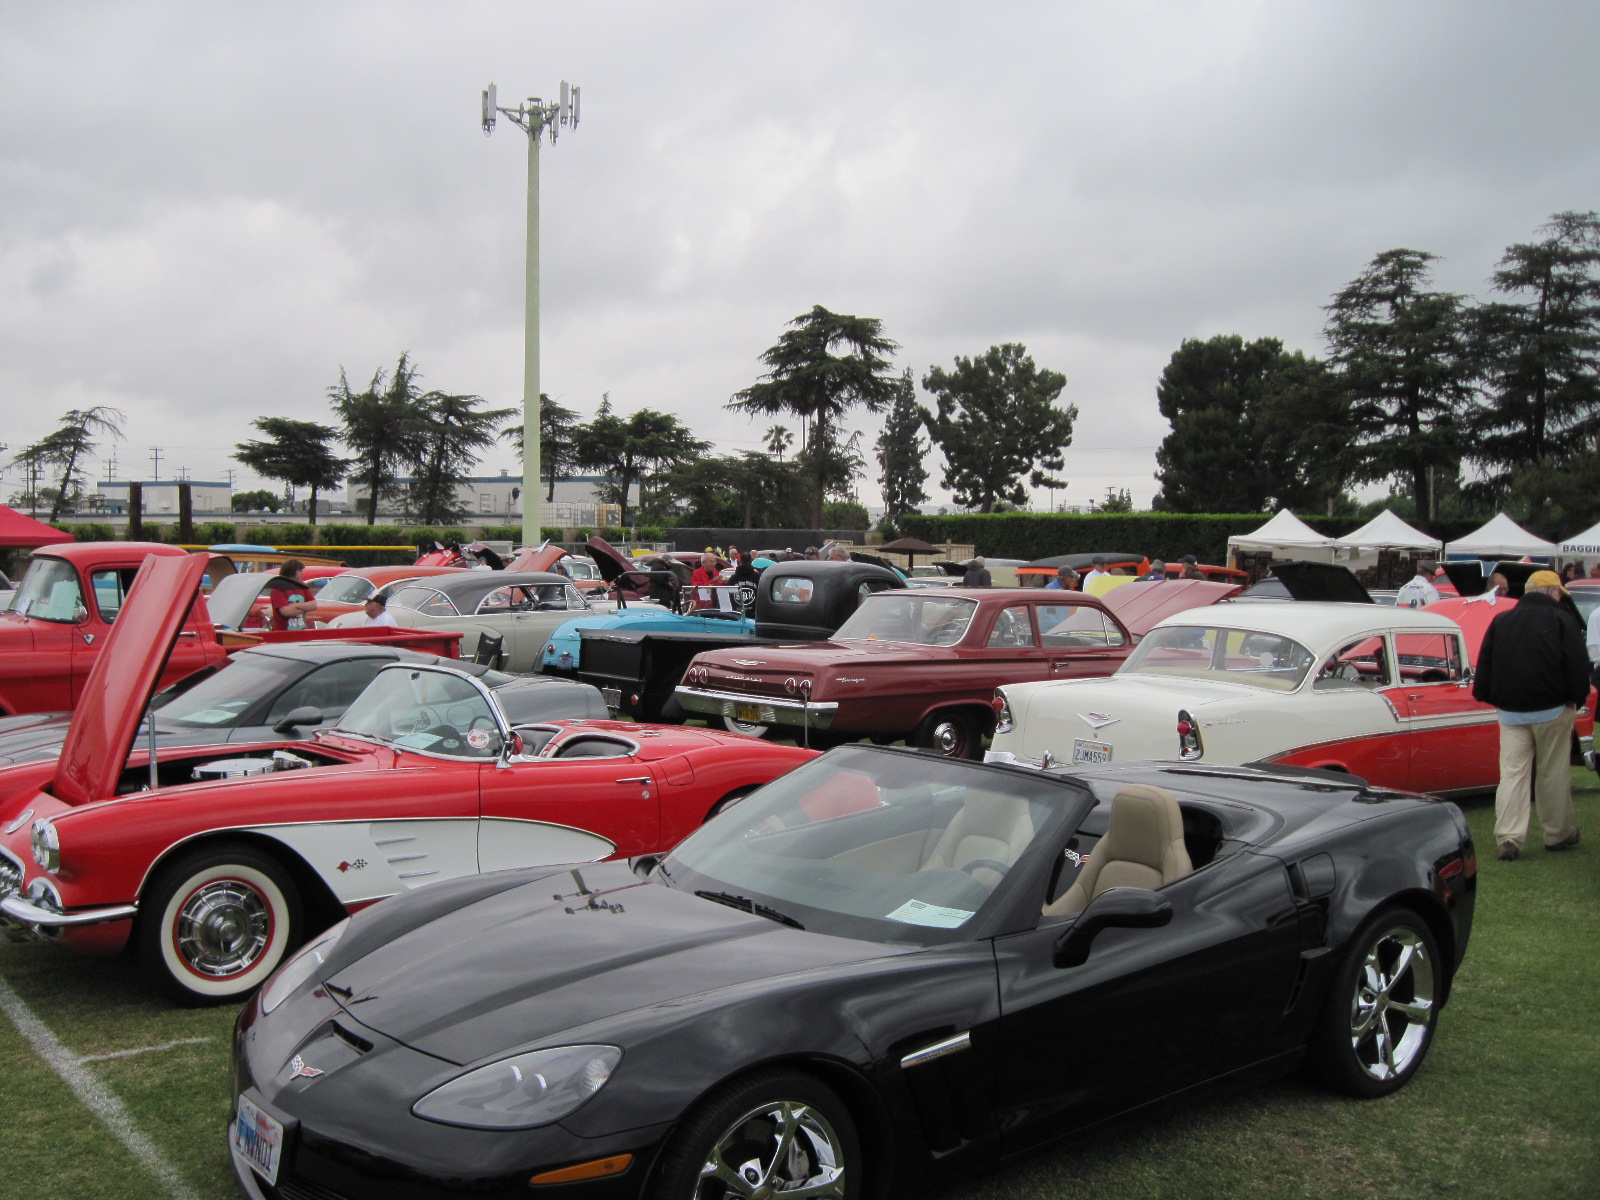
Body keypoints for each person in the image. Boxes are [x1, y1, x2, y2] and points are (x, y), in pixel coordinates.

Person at [1471, 569, 1590, 861]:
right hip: (1552, 709)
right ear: (1551, 592)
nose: (1561, 597)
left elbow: (1484, 664)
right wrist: (1576, 698)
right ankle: (1557, 833)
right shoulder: (1563, 620)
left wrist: (1492, 698)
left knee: (1512, 775)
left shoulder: (1502, 620)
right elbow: (1577, 664)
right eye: (1560, 592)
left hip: (1511, 712)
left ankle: (1509, 837)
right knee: (1552, 773)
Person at [265, 560, 318, 632]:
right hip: (283, 634)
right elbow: (286, 612)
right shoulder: (278, 589)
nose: (302, 574)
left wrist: (294, 605)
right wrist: (305, 608)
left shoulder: (303, 586)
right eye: (300, 571)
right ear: (292, 572)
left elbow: (314, 605)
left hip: (301, 632)